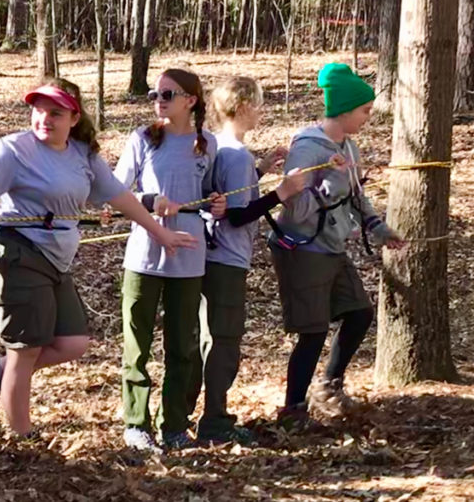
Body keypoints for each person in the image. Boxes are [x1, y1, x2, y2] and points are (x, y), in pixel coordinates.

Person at [0, 78, 197, 438]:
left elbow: (120, 197)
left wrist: (160, 231)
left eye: (55, 112)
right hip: (18, 254)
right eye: (38, 110)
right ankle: (23, 438)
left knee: (74, 343)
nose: (44, 118)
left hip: (56, 262)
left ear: (73, 118)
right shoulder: (13, 149)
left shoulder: (82, 154)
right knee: (25, 351)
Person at [269, 63, 404, 428]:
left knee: (359, 313)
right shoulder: (308, 149)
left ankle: (329, 386)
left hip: (333, 247)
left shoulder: (350, 147)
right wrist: (329, 186)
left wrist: (379, 229)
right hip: (302, 248)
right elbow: (294, 208)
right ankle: (293, 410)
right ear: (344, 110)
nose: (368, 117)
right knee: (311, 331)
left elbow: (357, 197)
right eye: (364, 110)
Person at [184, 76, 312, 444]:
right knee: (223, 342)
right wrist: (280, 193)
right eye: (257, 104)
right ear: (240, 107)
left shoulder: (221, 148)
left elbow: (231, 195)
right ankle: (215, 422)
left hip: (207, 257)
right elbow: (237, 215)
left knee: (204, 338)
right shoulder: (236, 153)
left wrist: (260, 172)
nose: (261, 111)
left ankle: (185, 415)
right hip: (226, 259)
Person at [115, 68, 226, 452]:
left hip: (190, 257)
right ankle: (135, 424)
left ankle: (174, 425)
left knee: (183, 345)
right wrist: (150, 202)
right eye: (154, 94)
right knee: (137, 345)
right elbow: (116, 191)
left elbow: (209, 193)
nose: (158, 100)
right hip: (144, 255)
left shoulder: (207, 144)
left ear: (190, 101)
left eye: (167, 94)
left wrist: (217, 204)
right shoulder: (143, 139)